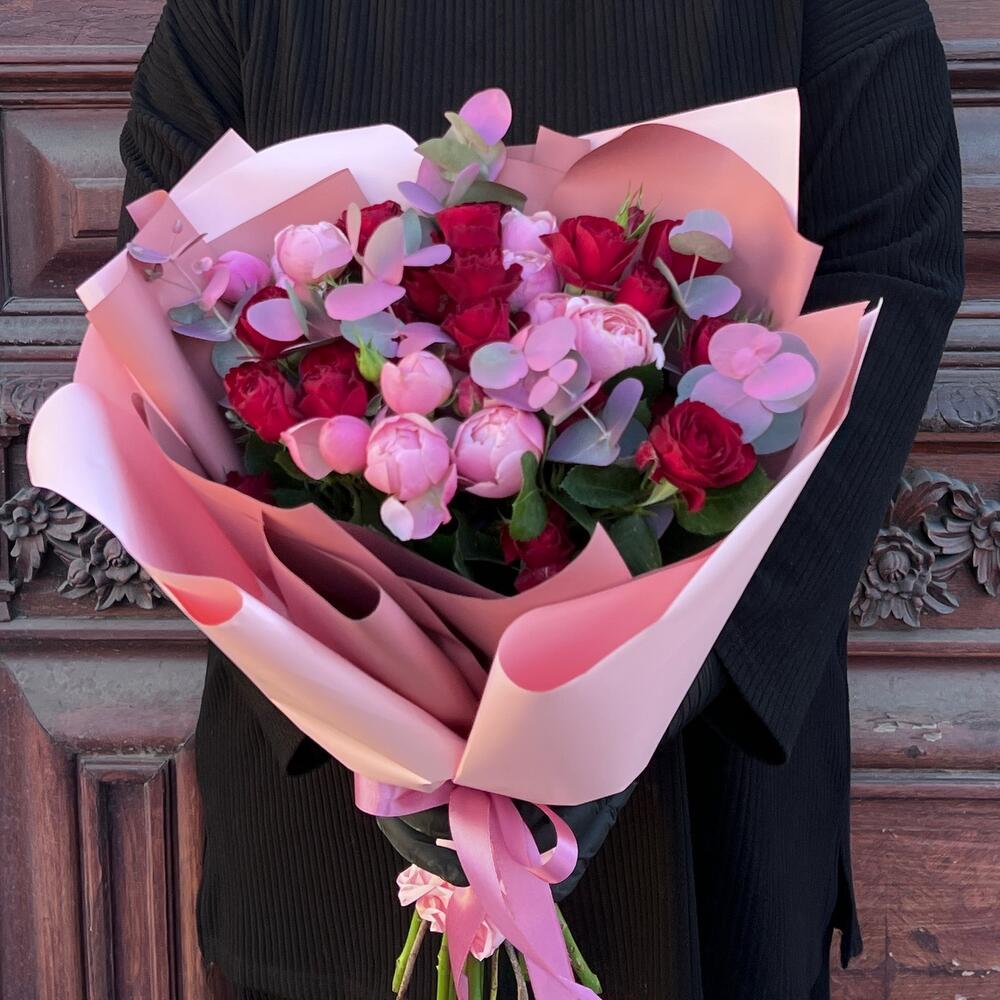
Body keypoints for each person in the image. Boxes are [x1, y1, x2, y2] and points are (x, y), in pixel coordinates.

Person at [117, 2, 964, 998]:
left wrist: (682, 674)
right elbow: (171, 289)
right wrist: (351, 716)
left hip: (696, 777)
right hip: (333, 802)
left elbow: (891, 273)